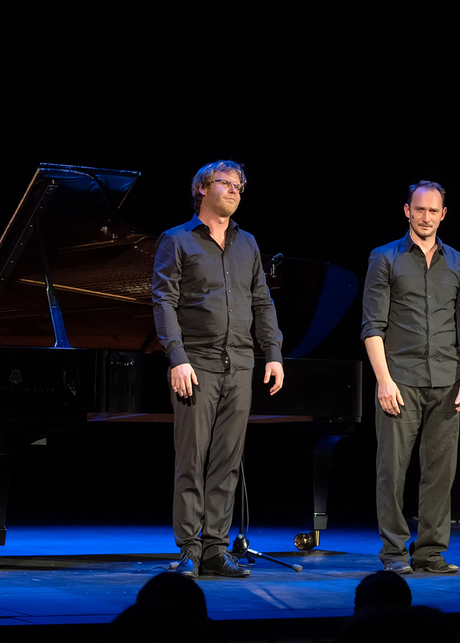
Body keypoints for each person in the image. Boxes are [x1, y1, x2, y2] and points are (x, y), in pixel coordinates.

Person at [153, 160, 284, 578]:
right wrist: (176, 357)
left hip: (240, 363)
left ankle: (215, 549)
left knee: (227, 460)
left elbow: (262, 302)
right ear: (202, 189)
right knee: (191, 459)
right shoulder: (176, 241)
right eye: (225, 183)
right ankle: (190, 549)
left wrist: (275, 353)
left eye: (239, 185)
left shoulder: (248, 244)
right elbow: (164, 302)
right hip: (197, 363)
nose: (233, 190)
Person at [361, 180, 460, 574]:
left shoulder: (459, 262)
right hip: (401, 381)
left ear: (443, 214)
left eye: (434, 210)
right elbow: (372, 327)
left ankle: (429, 553)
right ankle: (394, 554)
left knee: (439, 474)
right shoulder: (385, 258)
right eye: (420, 209)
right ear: (407, 211)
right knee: (392, 472)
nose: (426, 216)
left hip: (447, 382)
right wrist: (383, 379)